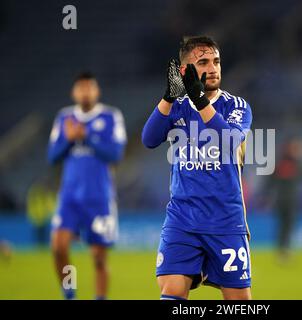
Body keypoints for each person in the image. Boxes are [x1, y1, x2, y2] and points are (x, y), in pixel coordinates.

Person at [142, 36, 253, 300]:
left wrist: (200, 99)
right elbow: (149, 139)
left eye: (216, 61)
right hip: (182, 218)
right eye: (203, 62)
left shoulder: (236, 106)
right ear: (186, 71)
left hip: (225, 220)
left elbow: (228, 142)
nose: (213, 67)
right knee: (171, 292)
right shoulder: (177, 107)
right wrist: (169, 96)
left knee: (239, 302)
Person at [48, 72, 127, 300]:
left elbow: (116, 154)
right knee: (58, 246)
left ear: (97, 91)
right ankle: (69, 291)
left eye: (89, 87)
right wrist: (69, 139)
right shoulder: (64, 118)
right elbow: (52, 157)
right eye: (80, 88)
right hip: (70, 196)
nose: (85, 92)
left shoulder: (111, 116)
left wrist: (87, 136)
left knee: (99, 257)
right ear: (74, 92)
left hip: (99, 196)